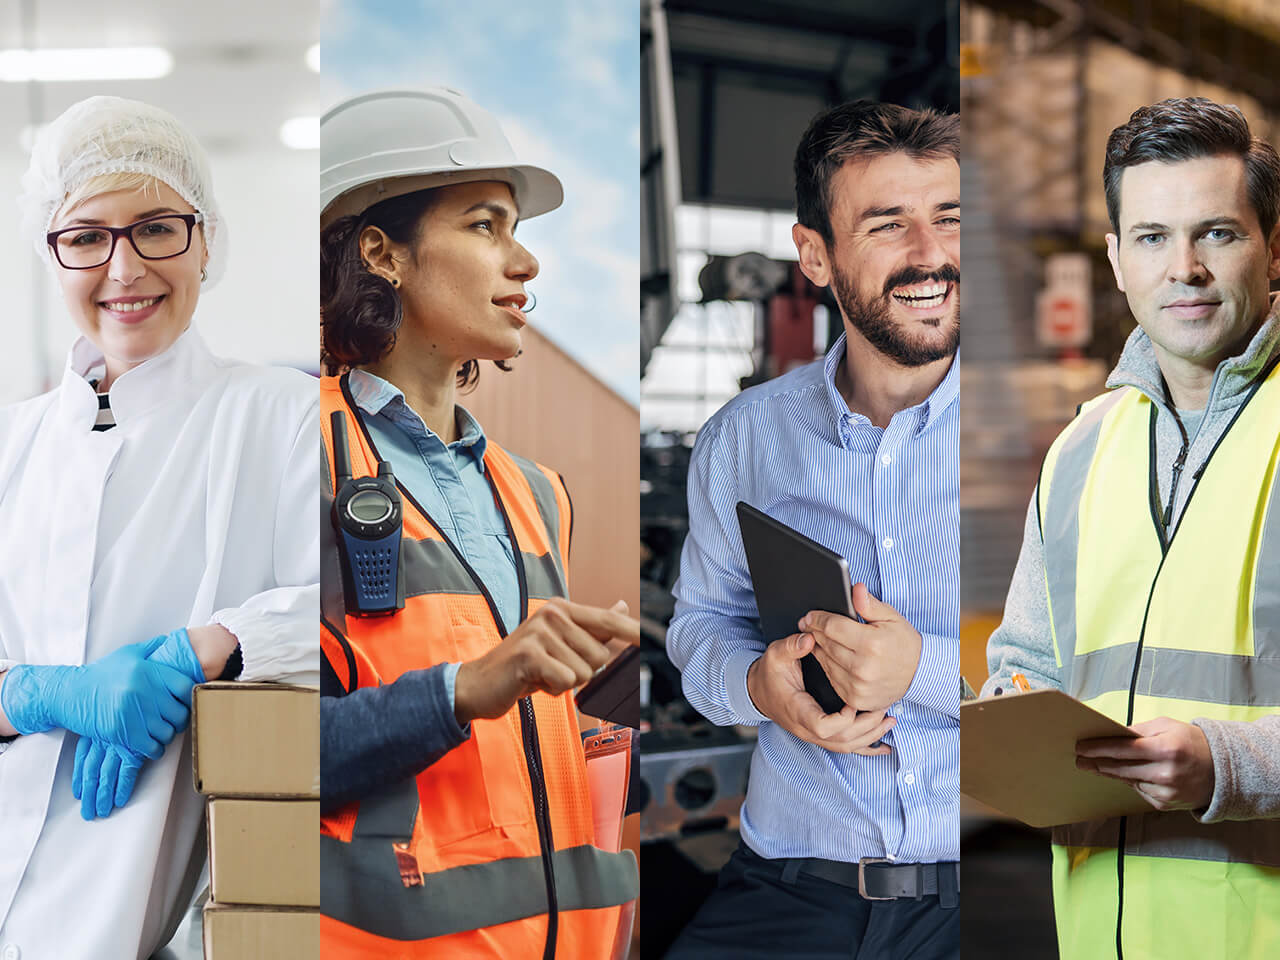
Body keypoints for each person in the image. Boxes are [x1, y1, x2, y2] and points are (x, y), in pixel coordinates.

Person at [317, 88, 639, 959]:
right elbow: (266, 753)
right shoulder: (294, 460)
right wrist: (462, 689)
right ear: (382, 253)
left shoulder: (539, 491)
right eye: (486, 226)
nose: (524, 261)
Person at [0, 96, 317, 959]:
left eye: (155, 228)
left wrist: (204, 646)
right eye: (87, 236)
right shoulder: (11, 446)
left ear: (205, 239)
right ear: (52, 253)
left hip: (140, 923)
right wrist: (26, 692)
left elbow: (361, 617)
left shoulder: (280, 416)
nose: (124, 266)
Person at [983, 97, 1280, 959]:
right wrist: (1007, 720)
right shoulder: (1080, 448)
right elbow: (1026, 661)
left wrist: (1224, 762)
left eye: (1217, 234)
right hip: (1098, 937)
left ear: (1273, 247)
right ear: (1115, 260)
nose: (1183, 268)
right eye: (1152, 237)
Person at [664, 100, 960, 959]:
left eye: (947, 219)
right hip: (791, 884)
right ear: (815, 256)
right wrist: (759, 688)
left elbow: (1088, 673)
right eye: (888, 225)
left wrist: (921, 671)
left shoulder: (1049, 445)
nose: (931, 255)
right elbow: (699, 627)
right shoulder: (744, 439)